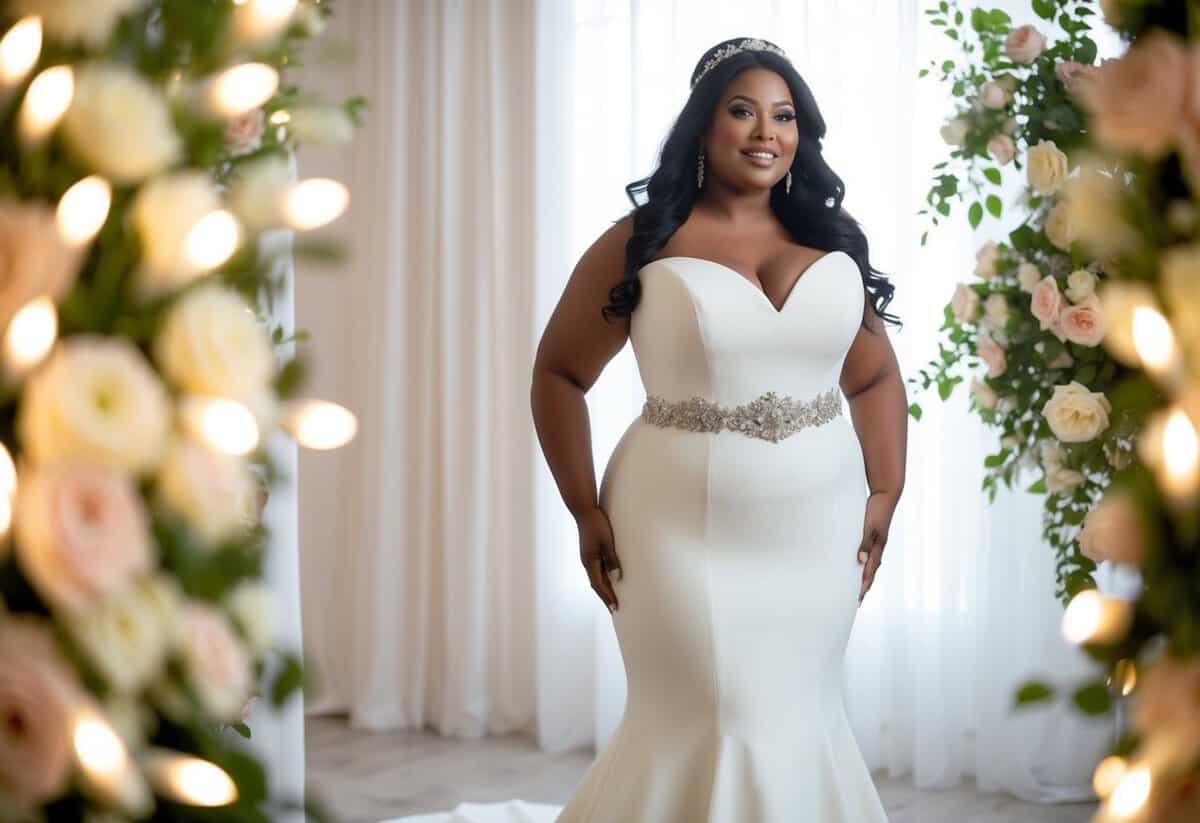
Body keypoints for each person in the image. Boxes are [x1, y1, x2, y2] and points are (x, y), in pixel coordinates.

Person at [527, 36, 908, 822]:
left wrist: (887, 486)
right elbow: (558, 375)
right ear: (703, 129)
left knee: (794, 715)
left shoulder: (830, 238)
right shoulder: (644, 240)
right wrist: (583, 507)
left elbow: (872, 375)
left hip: (816, 534)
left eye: (784, 116)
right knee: (713, 712)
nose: (766, 132)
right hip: (672, 530)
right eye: (742, 112)